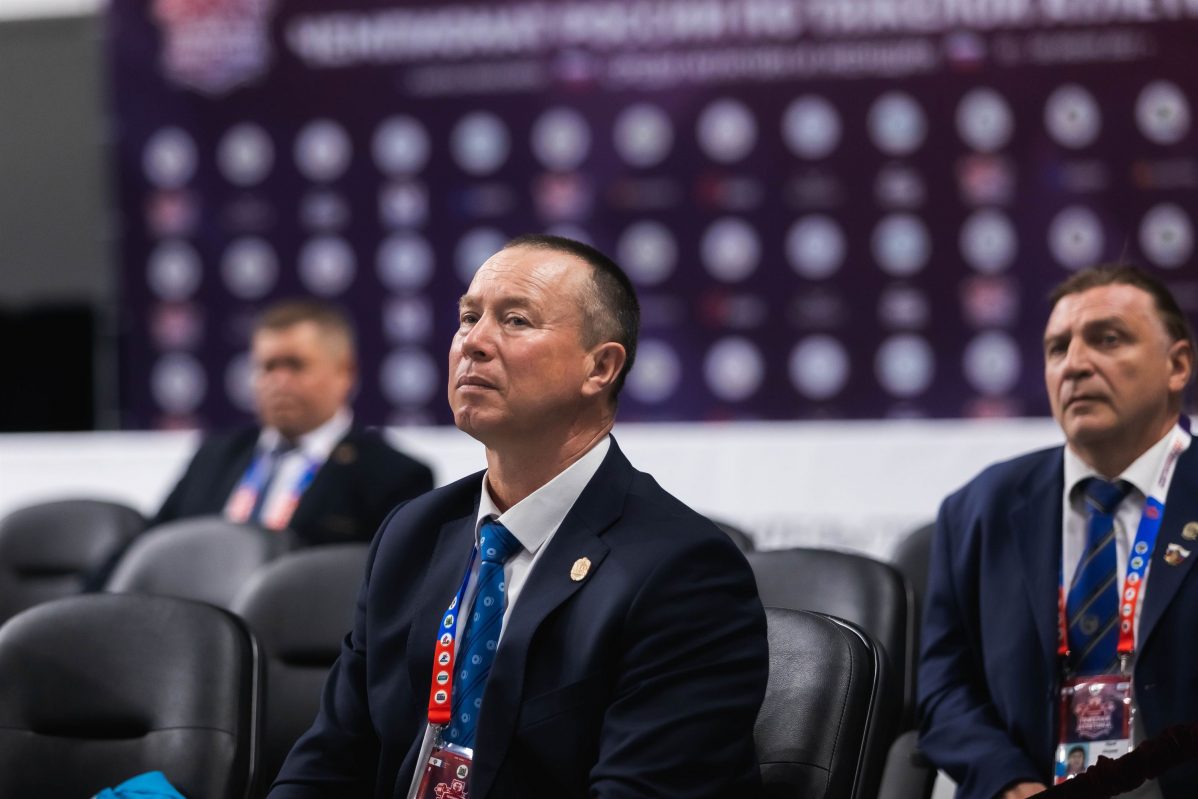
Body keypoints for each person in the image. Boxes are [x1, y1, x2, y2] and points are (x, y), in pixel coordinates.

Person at [269, 235, 768, 797]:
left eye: (516, 321)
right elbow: (328, 763)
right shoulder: (412, 534)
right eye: (468, 318)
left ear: (600, 367)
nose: (474, 342)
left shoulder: (684, 571)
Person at [919, 264, 1198, 799]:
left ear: (1177, 365)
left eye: (1107, 339)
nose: (1074, 364)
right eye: (1057, 348)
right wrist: (1008, 782)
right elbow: (944, 691)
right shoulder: (978, 510)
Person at [153, 299, 434, 546]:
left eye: (295, 365)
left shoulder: (392, 476)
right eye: (268, 367)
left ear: (345, 372)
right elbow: (154, 546)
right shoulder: (214, 456)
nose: (279, 381)